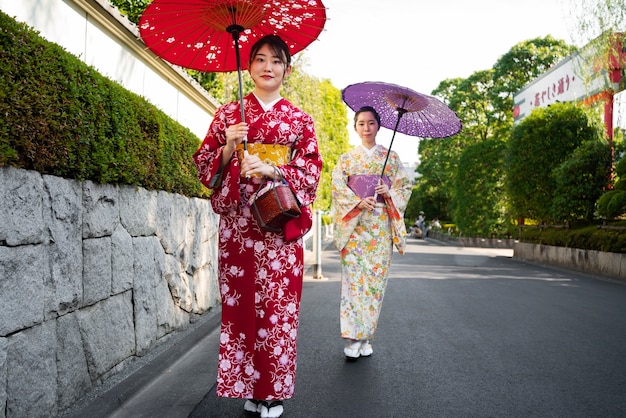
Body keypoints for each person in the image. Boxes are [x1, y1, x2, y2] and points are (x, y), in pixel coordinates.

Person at [192, 35, 322, 418]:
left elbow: (312, 171)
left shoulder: (300, 120)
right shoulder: (229, 114)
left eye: (277, 61)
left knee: (278, 311)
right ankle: (250, 387)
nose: (268, 67)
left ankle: (273, 392)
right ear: (248, 68)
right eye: (261, 59)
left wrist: (273, 168)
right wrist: (229, 146)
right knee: (242, 308)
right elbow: (204, 168)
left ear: (287, 69)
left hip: (279, 228)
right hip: (239, 229)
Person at [331, 105, 412, 360]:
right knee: (354, 284)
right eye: (361, 123)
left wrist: (388, 193)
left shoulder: (392, 158)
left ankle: (366, 337)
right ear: (355, 127)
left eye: (371, 123)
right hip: (355, 228)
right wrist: (357, 202)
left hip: (379, 229)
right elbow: (337, 188)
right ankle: (353, 337)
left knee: (374, 285)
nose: (366, 128)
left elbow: (404, 186)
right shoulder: (346, 160)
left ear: (379, 126)